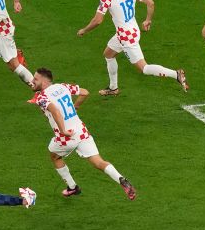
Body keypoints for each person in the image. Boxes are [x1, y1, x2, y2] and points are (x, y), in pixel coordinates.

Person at [78, 0, 188, 95]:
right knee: (108, 54)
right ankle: (113, 88)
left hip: (126, 37)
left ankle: (176, 74)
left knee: (144, 68)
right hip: (132, 30)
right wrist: (148, 20)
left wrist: (84, 30)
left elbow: (98, 20)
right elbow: (150, 3)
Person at [29, 67, 136, 199]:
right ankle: (121, 179)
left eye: (35, 79)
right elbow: (84, 93)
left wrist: (63, 130)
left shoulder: (42, 97)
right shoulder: (63, 86)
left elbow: (55, 112)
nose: (32, 81)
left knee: (54, 156)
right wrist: (76, 107)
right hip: (81, 131)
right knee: (99, 162)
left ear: (44, 82)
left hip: (66, 136)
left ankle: (72, 187)